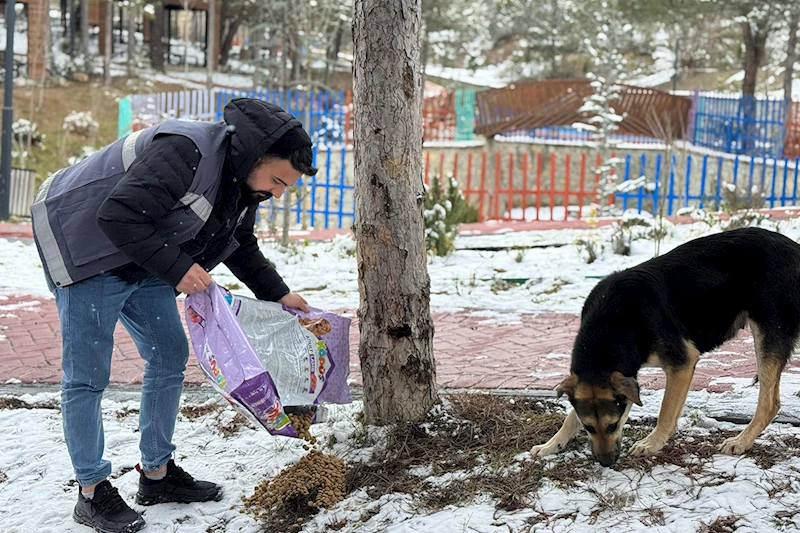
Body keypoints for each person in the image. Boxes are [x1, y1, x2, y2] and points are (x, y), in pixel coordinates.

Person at [31, 98, 316, 533]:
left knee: (168, 355)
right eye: (278, 180)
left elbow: (238, 242)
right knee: (87, 375)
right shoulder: (187, 151)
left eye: (285, 187)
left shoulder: (241, 182)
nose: (278, 192)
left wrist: (280, 295)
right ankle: (91, 491)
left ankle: (156, 475)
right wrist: (179, 267)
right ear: (255, 156)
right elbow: (118, 213)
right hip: (86, 249)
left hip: (142, 257)